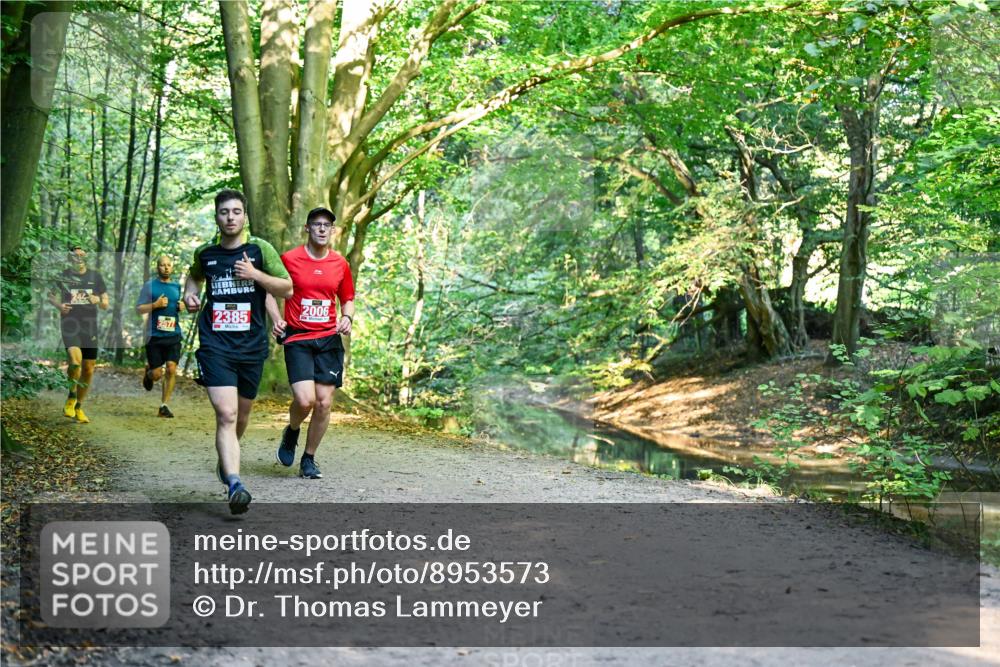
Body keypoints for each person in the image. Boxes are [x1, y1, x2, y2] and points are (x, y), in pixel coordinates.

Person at [184, 189, 293, 514]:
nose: (230, 217)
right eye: (223, 212)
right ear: (216, 217)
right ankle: (235, 483)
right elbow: (194, 279)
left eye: (236, 212)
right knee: (227, 414)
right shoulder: (206, 253)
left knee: (242, 415)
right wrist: (191, 296)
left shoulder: (260, 250)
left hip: (251, 347)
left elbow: (286, 287)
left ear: (244, 216)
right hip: (215, 345)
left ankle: (227, 459)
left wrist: (255, 275)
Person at [266, 206, 354, 480]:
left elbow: (347, 297)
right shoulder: (289, 259)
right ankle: (292, 430)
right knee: (305, 401)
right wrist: (276, 319)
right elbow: (269, 291)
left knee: (325, 403)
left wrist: (347, 317)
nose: (321, 228)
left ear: (333, 231)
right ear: (307, 228)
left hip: (328, 339)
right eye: (316, 224)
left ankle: (309, 459)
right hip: (298, 338)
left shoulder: (340, 264)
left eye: (326, 225)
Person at [49, 246, 109, 423]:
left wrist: (99, 300)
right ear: (71, 259)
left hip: (89, 326)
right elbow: (50, 295)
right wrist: (59, 306)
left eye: (82, 255)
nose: (79, 258)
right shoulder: (64, 275)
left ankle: (79, 407)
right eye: (75, 256)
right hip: (70, 324)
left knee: (89, 368)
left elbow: (106, 302)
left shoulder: (95, 276)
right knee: (75, 362)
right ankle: (71, 396)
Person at [135, 255, 186, 417]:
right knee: (157, 375)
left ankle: (164, 406)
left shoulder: (176, 286)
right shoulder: (150, 286)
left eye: (168, 265)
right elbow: (139, 309)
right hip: (154, 336)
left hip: (173, 334)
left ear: (172, 267)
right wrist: (155, 305)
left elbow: (177, 306)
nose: (166, 268)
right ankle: (149, 372)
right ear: (157, 267)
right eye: (162, 265)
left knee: (171, 369)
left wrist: (182, 306)